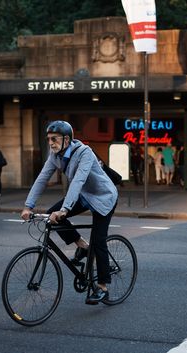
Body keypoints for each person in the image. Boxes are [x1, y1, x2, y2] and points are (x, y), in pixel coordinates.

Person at [21, 120, 118, 304]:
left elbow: (78, 181)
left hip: (104, 198)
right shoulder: (55, 155)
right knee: (52, 215)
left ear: (66, 139)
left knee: (99, 241)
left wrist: (65, 209)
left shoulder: (85, 153)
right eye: (48, 139)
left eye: (54, 139)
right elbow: (42, 179)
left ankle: (103, 287)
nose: (50, 142)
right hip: (84, 196)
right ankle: (82, 244)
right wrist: (28, 206)